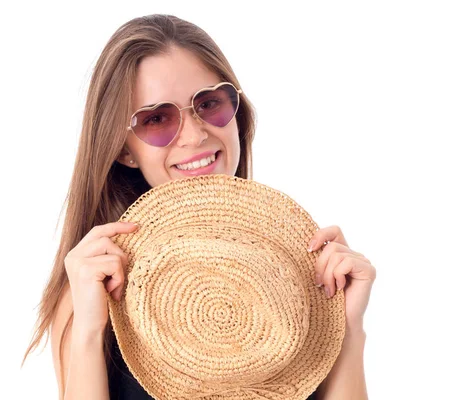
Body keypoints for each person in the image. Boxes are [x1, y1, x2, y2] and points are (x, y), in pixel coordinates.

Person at [21, 14, 376, 400]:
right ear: (124, 150)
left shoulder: (303, 274)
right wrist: (89, 331)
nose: (195, 135)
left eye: (209, 104)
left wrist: (348, 328)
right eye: (156, 119)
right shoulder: (90, 286)